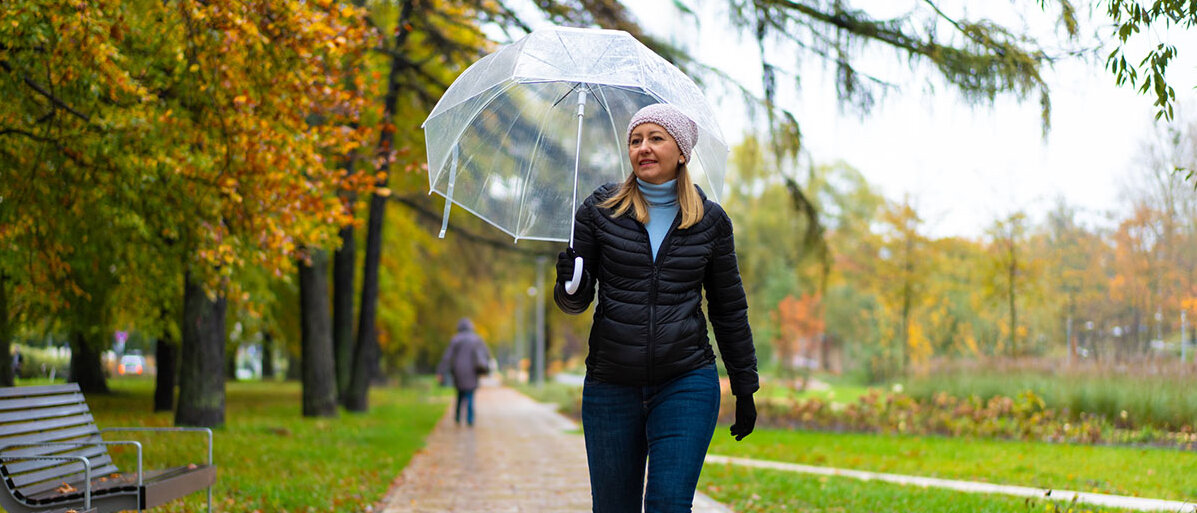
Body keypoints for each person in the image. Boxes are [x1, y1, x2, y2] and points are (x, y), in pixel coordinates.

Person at [554, 103, 758, 513]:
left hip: (685, 381)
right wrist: (569, 281)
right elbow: (575, 302)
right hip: (611, 383)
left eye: (655, 138)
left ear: (681, 151)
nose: (643, 148)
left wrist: (744, 385)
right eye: (635, 140)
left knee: (668, 504)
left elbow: (729, 308)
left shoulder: (711, 222)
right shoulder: (601, 211)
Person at [436, 318, 492, 427]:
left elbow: (447, 357)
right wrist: (486, 368)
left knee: (460, 395)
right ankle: (470, 419)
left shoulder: (456, 339)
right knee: (470, 395)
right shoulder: (477, 339)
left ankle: (457, 418)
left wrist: (440, 371)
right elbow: (487, 354)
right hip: (472, 371)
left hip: (458, 371)